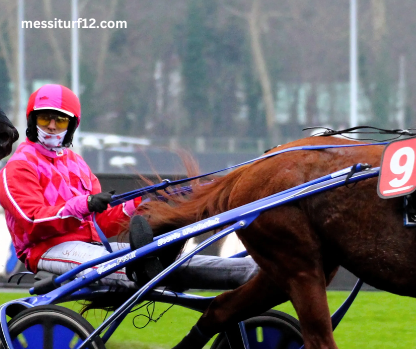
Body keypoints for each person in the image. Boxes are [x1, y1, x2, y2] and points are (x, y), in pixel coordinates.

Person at [0, 84, 257, 290]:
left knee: (165, 259)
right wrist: (84, 205)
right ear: (33, 121)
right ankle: (152, 267)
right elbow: (32, 221)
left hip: (92, 246)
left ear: (72, 126)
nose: (53, 126)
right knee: (137, 263)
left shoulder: (76, 164)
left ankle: (248, 272)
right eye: (45, 119)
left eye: (60, 121)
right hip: (46, 249)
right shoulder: (18, 166)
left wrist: (140, 203)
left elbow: (100, 223)